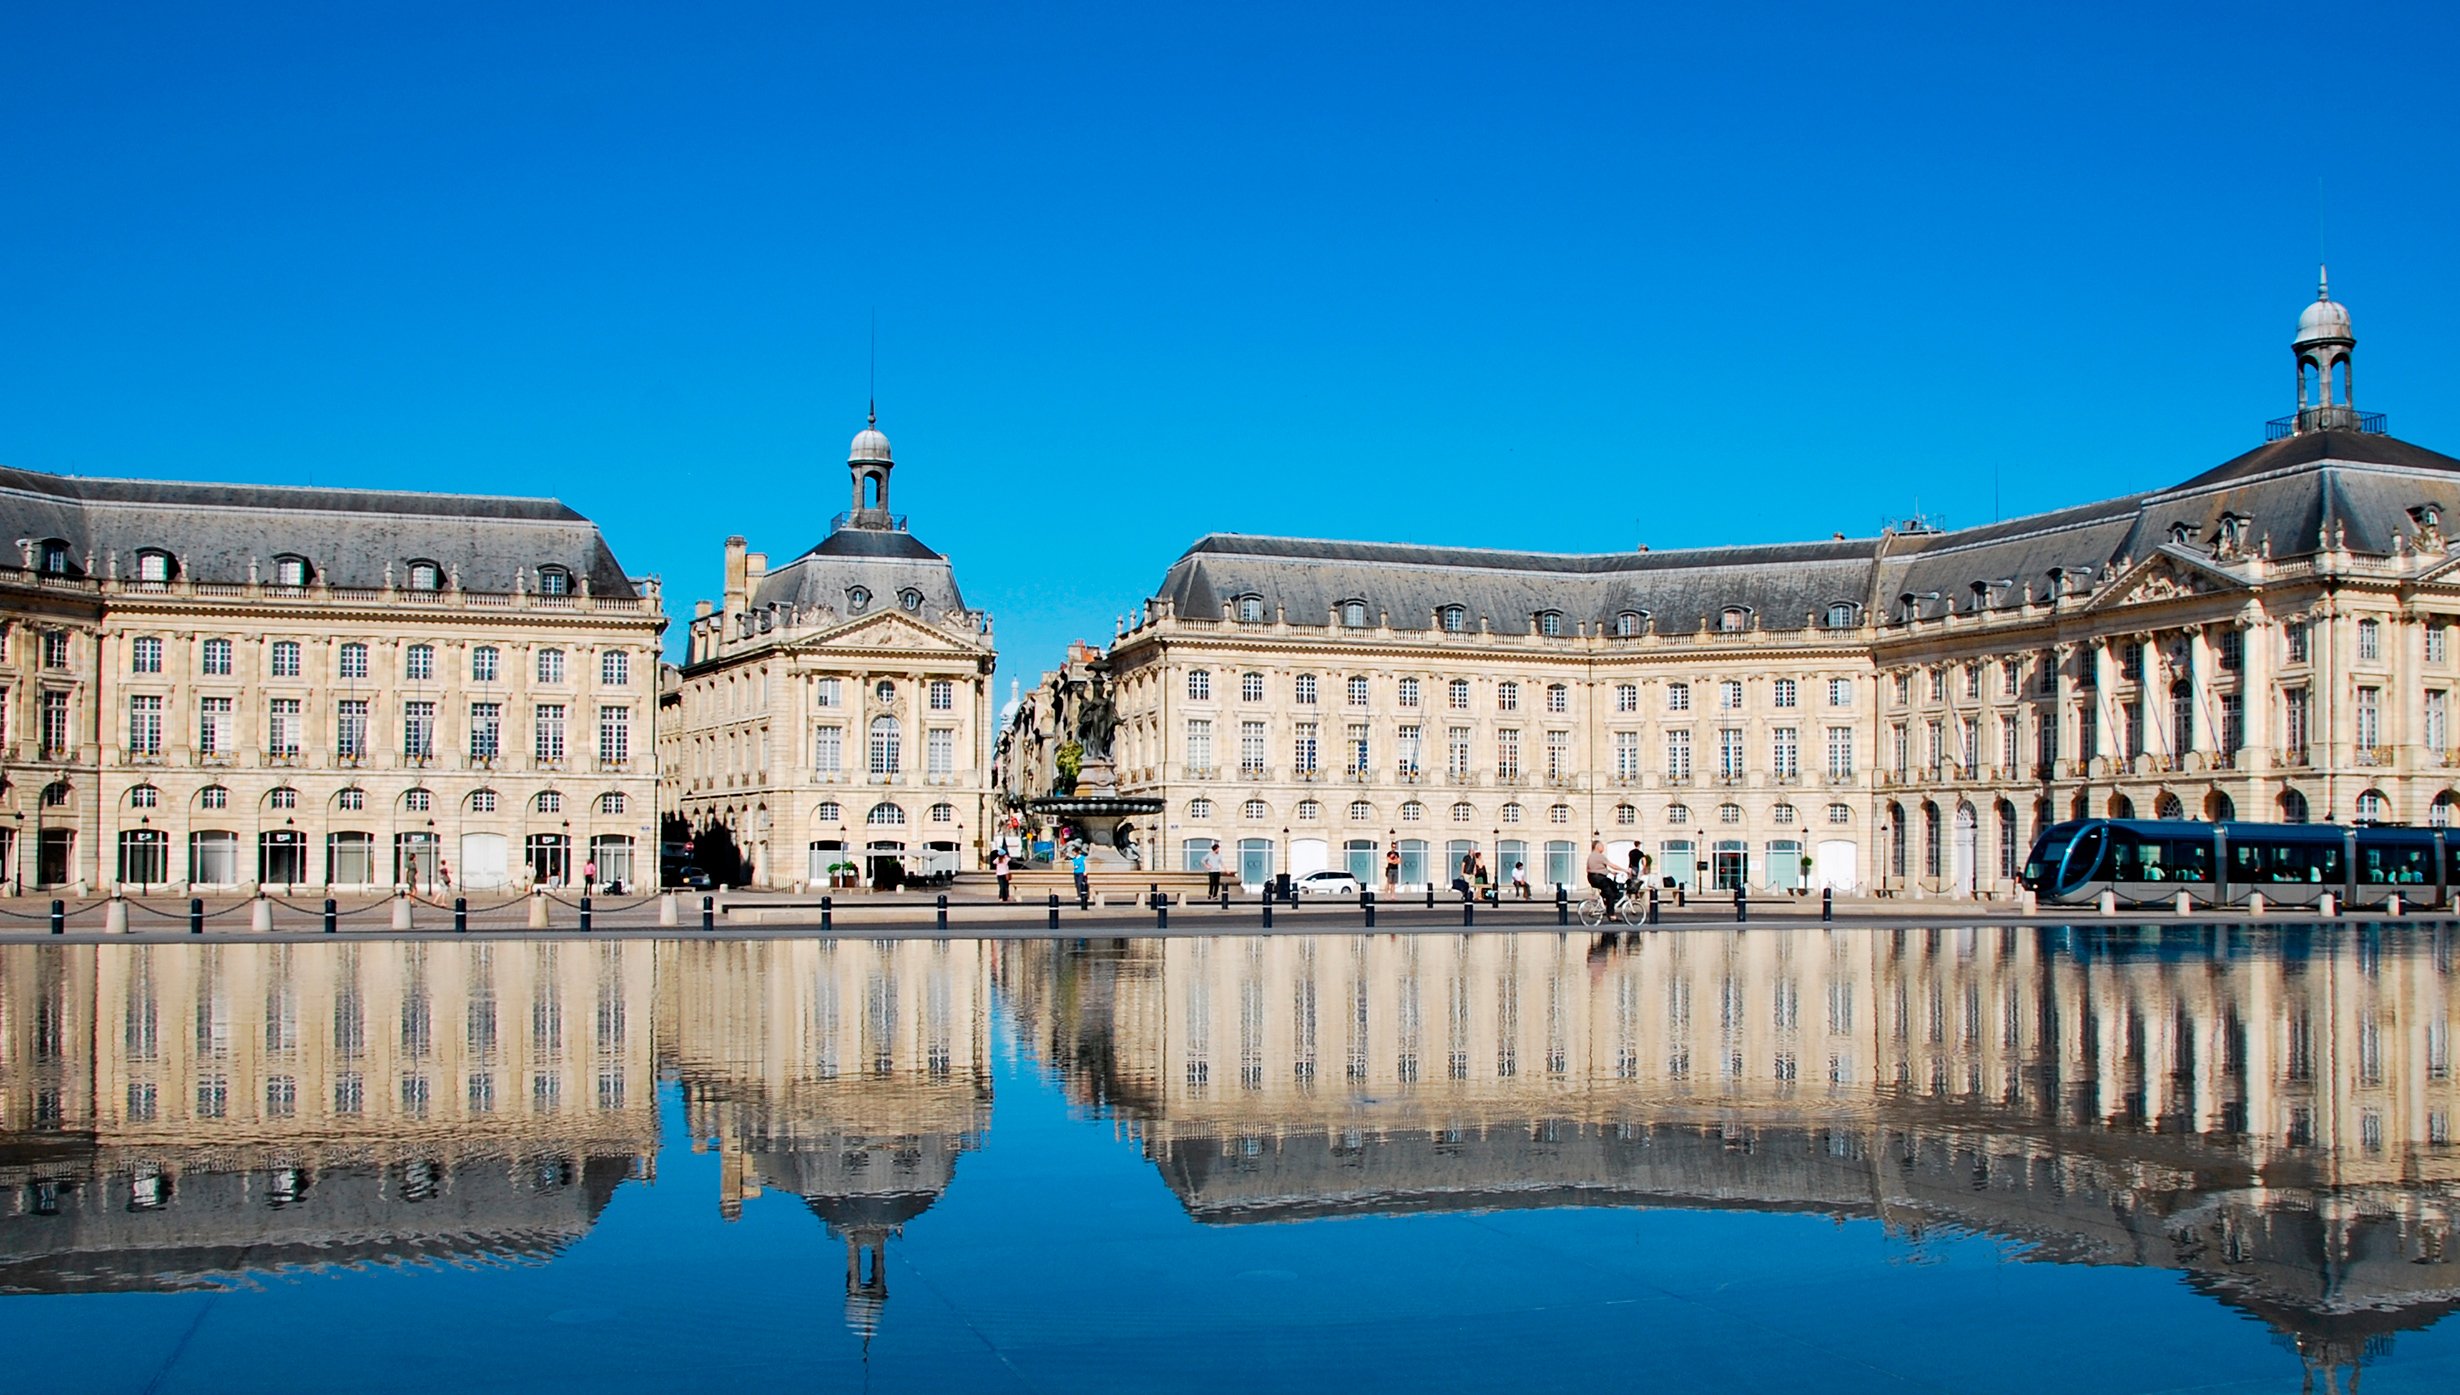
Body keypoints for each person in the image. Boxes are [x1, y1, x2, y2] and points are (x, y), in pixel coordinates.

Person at [1586, 839, 1622, 916]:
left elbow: (1598, 868)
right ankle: (1611, 914)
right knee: (1611, 893)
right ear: (1597, 846)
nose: (1603, 847)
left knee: (1610, 887)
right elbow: (1612, 865)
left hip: (1592, 878)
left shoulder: (1591, 856)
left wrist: (1611, 872)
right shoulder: (1599, 856)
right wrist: (1624, 870)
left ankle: (1605, 903)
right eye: (1602, 846)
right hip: (1599, 878)